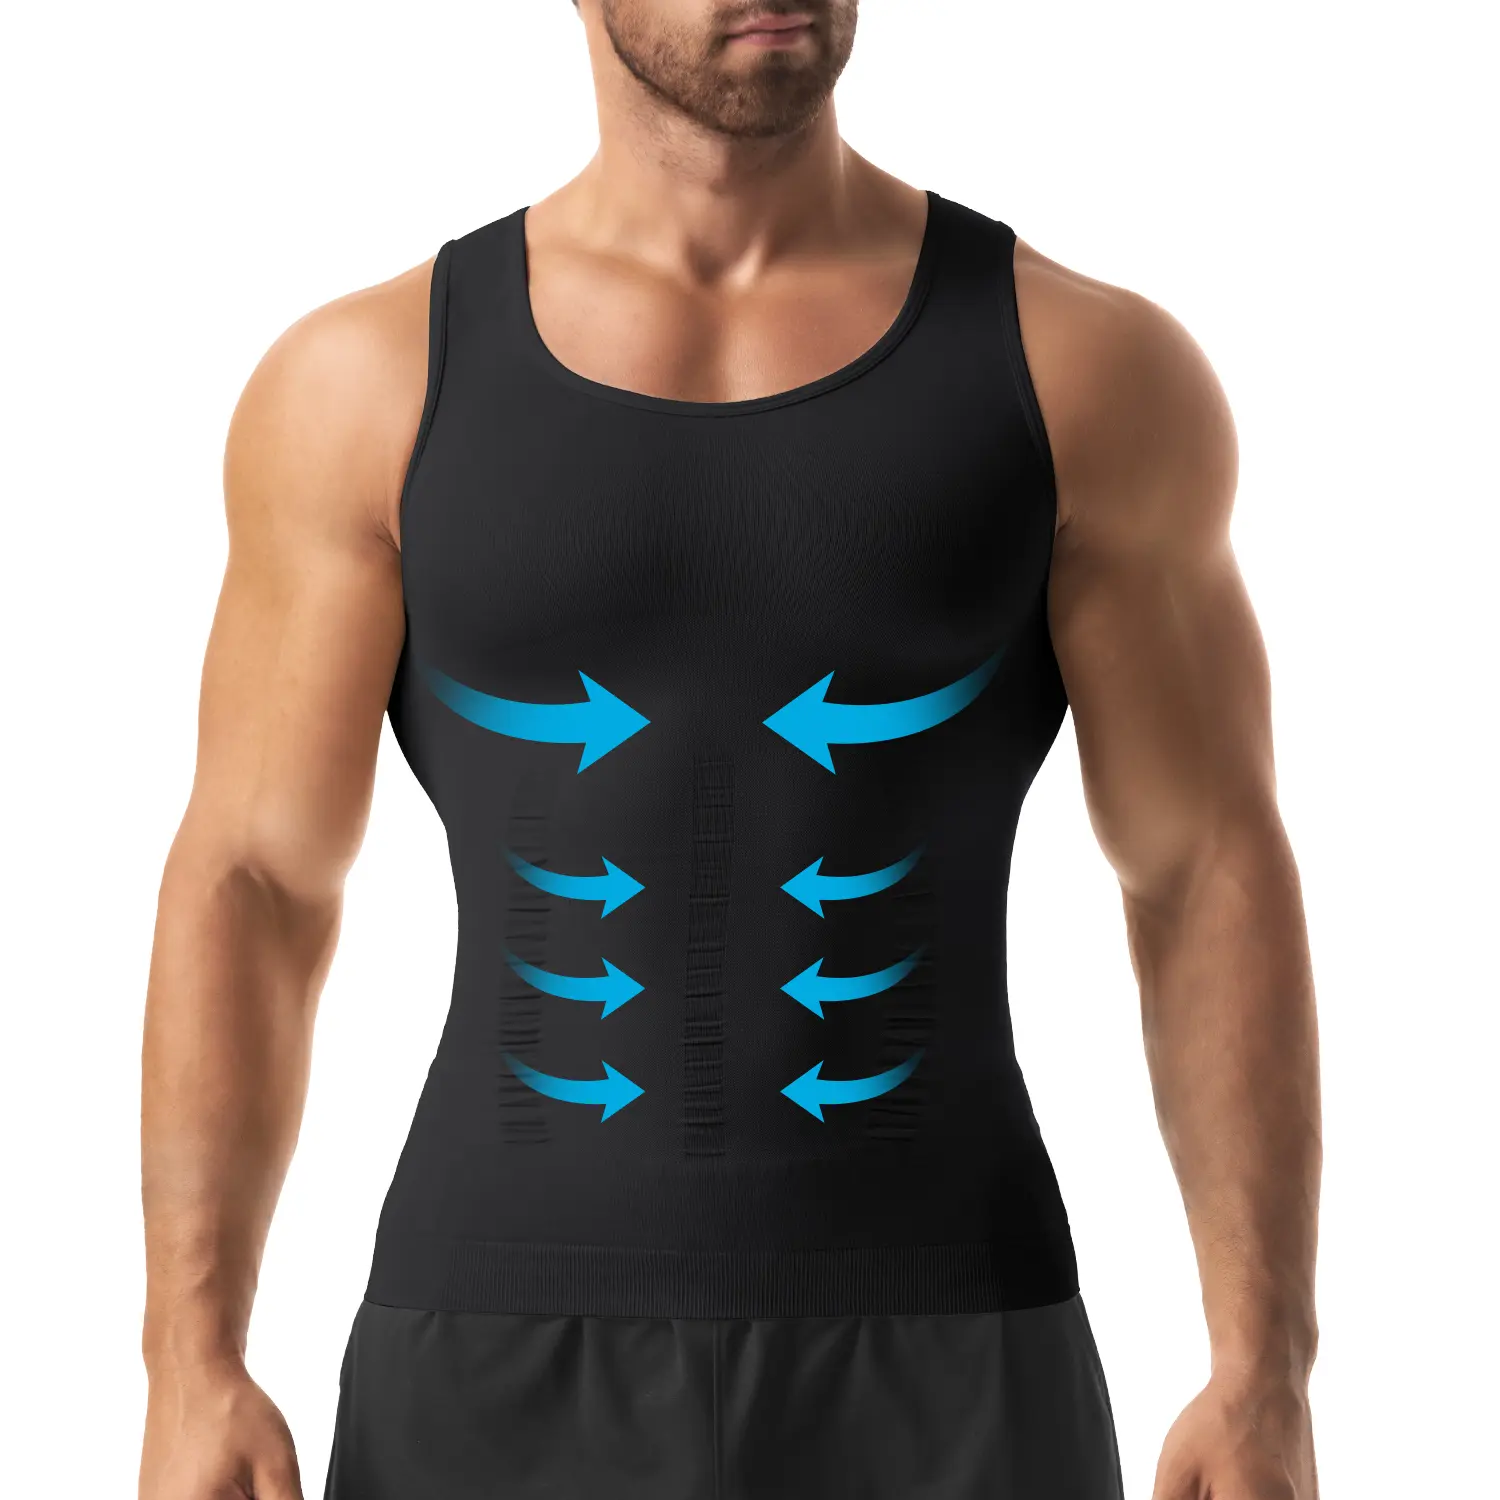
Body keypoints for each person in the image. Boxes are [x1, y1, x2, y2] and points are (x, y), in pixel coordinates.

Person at [138, 2, 1322, 1496]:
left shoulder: (1082, 368)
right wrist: (190, 1358)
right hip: (493, 1347)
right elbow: (255, 877)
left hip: (950, 1348)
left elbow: (1204, 863)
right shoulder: (366, 386)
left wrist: (1263, 1369)